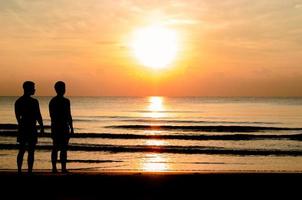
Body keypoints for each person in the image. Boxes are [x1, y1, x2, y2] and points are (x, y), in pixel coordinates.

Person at [15, 81, 44, 174]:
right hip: (31, 127)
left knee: (22, 150)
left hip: (23, 127)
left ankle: (20, 170)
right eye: (33, 87)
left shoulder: (18, 101)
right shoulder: (34, 102)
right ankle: (29, 171)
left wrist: (21, 125)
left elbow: (18, 117)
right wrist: (41, 126)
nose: (34, 89)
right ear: (28, 89)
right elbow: (38, 115)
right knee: (30, 151)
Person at [49, 81, 74, 173]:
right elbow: (53, 116)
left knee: (62, 148)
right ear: (57, 89)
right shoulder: (55, 101)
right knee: (56, 148)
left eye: (64, 88)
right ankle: (55, 168)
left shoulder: (64, 101)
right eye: (62, 88)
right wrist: (71, 127)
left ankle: (62, 168)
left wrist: (71, 127)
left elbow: (69, 115)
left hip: (61, 126)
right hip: (58, 126)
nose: (63, 90)